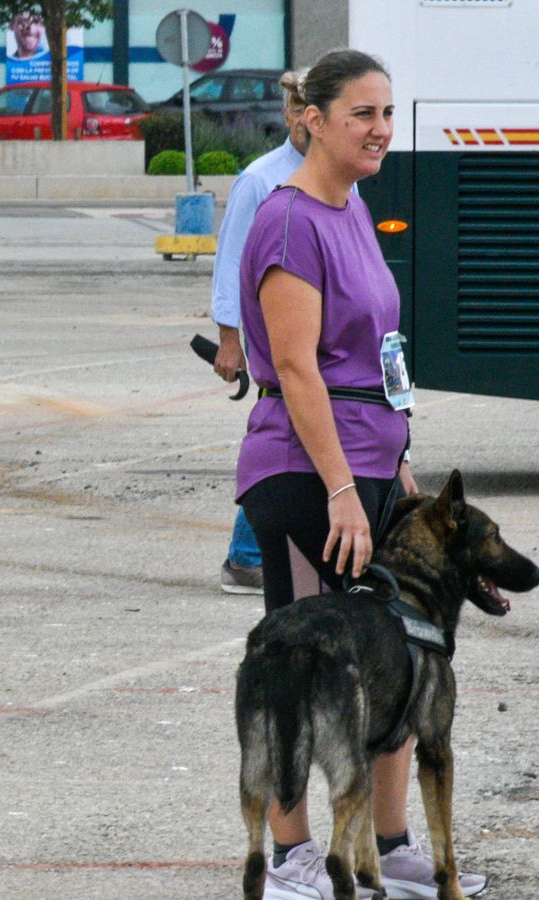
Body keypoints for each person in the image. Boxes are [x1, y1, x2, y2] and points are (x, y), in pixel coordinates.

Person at [235, 49, 477, 899]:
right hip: (307, 470)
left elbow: (379, 351)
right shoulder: (290, 219)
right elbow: (298, 370)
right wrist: (342, 489)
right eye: (360, 115)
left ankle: (389, 844)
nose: (380, 129)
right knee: (308, 667)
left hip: (370, 461)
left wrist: (397, 459)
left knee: (398, 659)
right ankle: (296, 856)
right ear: (312, 119)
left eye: (386, 113)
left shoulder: (353, 206)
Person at [208, 70, 313, 597]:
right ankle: (246, 556)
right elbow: (230, 264)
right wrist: (230, 339)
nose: (301, 121)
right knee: (284, 434)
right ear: (290, 116)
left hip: (317, 331)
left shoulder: (339, 174)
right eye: (295, 111)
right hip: (276, 334)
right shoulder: (260, 179)